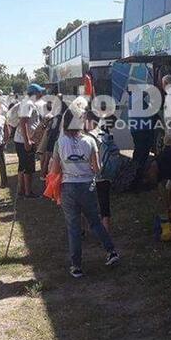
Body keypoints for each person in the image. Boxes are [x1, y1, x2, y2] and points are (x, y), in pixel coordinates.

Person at [49, 108, 120, 278]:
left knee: (73, 228)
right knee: (95, 221)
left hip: (69, 187)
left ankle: (76, 266)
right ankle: (111, 251)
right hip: (88, 185)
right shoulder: (90, 141)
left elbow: (55, 169)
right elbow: (97, 169)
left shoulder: (60, 142)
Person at [14, 84, 45, 198]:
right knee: (28, 167)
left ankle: (21, 190)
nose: (41, 95)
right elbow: (23, 122)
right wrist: (27, 141)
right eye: (40, 92)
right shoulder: (28, 104)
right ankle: (27, 192)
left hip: (22, 140)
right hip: (25, 141)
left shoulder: (26, 103)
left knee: (22, 165)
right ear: (35, 93)